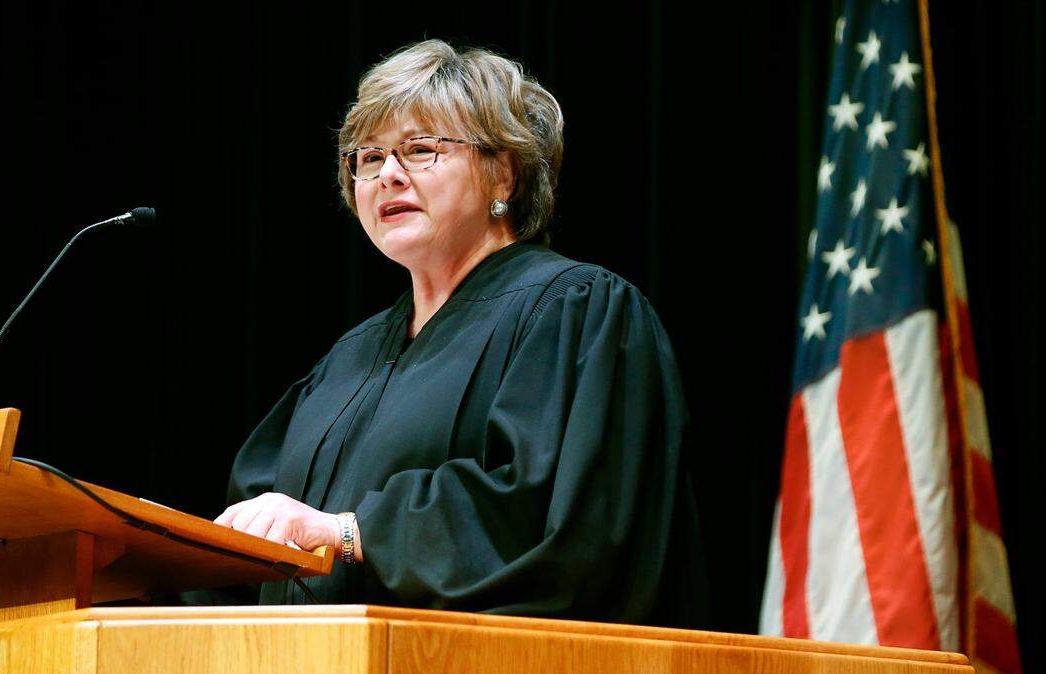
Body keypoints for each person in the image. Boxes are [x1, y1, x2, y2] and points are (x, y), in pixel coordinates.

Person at [214, 39, 706, 627]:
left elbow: (561, 519)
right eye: (369, 158)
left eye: (419, 150)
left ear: (503, 174)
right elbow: (248, 537)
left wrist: (350, 533)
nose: (387, 175)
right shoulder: (346, 361)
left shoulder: (577, 313)